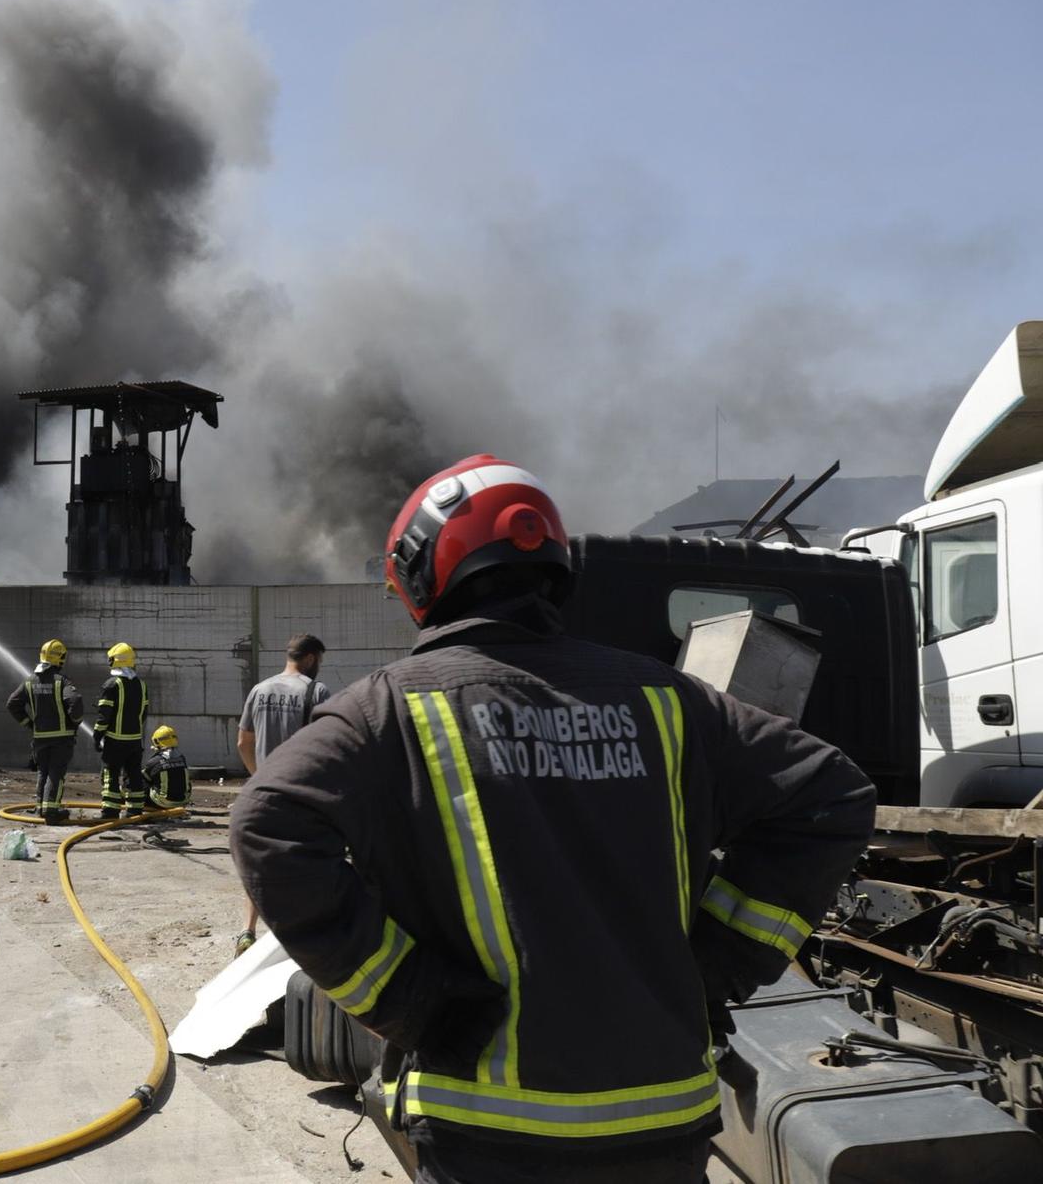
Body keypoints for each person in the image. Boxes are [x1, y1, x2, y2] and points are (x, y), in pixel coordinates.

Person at [230, 455, 876, 1184]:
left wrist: (409, 997)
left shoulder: (386, 708)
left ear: (421, 574)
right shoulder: (670, 699)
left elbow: (266, 823)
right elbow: (832, 795)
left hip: (486, 1127)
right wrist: (718, 959)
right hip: (662, 1116)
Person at [234, 632, 329, 953]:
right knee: (303, 863)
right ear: (312, 658)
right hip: (301, 793)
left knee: (259, 864)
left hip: (263, 793)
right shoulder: (316, 691)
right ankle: (293, 937)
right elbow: (325, 744)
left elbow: (243, 743)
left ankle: (247, 933)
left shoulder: (259, 690)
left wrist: (259, 778)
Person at [6, 638, 83, 825]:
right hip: (61, 739)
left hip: (40, 738)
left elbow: (12, 704)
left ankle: (41, 807)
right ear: (60, 658)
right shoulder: (62, 681)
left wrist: (30, 724)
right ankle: (51, 811)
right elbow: (75, 703)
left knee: (43, 771)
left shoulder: (31, 681)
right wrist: (75, 723)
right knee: (56, 773)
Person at [93, 641, 150, 822]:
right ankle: (135, 810)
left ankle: (110, 811)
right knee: (133, 774)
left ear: (114, 661)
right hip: (135, 740)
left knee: (110, 773)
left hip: (115, 741)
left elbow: (104, 716)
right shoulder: (141, 685)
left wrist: (97, 736)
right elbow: (143, 713)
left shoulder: (111, 685)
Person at [143, 725, 193, 811]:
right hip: (183, 801)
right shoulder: (182, 758)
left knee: (140, 782)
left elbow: (144, 779)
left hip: (162, 803)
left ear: (156, 741)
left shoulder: (154, 761)